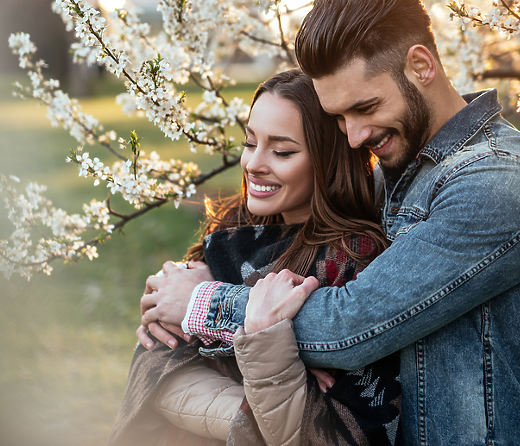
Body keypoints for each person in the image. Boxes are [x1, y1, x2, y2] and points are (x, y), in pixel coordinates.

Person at [140, 0, 520, 445]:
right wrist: (188, 279)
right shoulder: (395, 167)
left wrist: (201, 304)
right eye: (338, 117)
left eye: (365, 107)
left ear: (421, 66)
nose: (353, 137)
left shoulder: (499, 180)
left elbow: (349, 326)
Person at [109, 69, 401, 446]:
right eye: (250, 143)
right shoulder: (233, 231)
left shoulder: (353, 260)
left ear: (329, 160)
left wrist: (214, 334)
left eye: (282, 151)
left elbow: (327, 429)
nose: (254, 164)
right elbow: (157, 359)